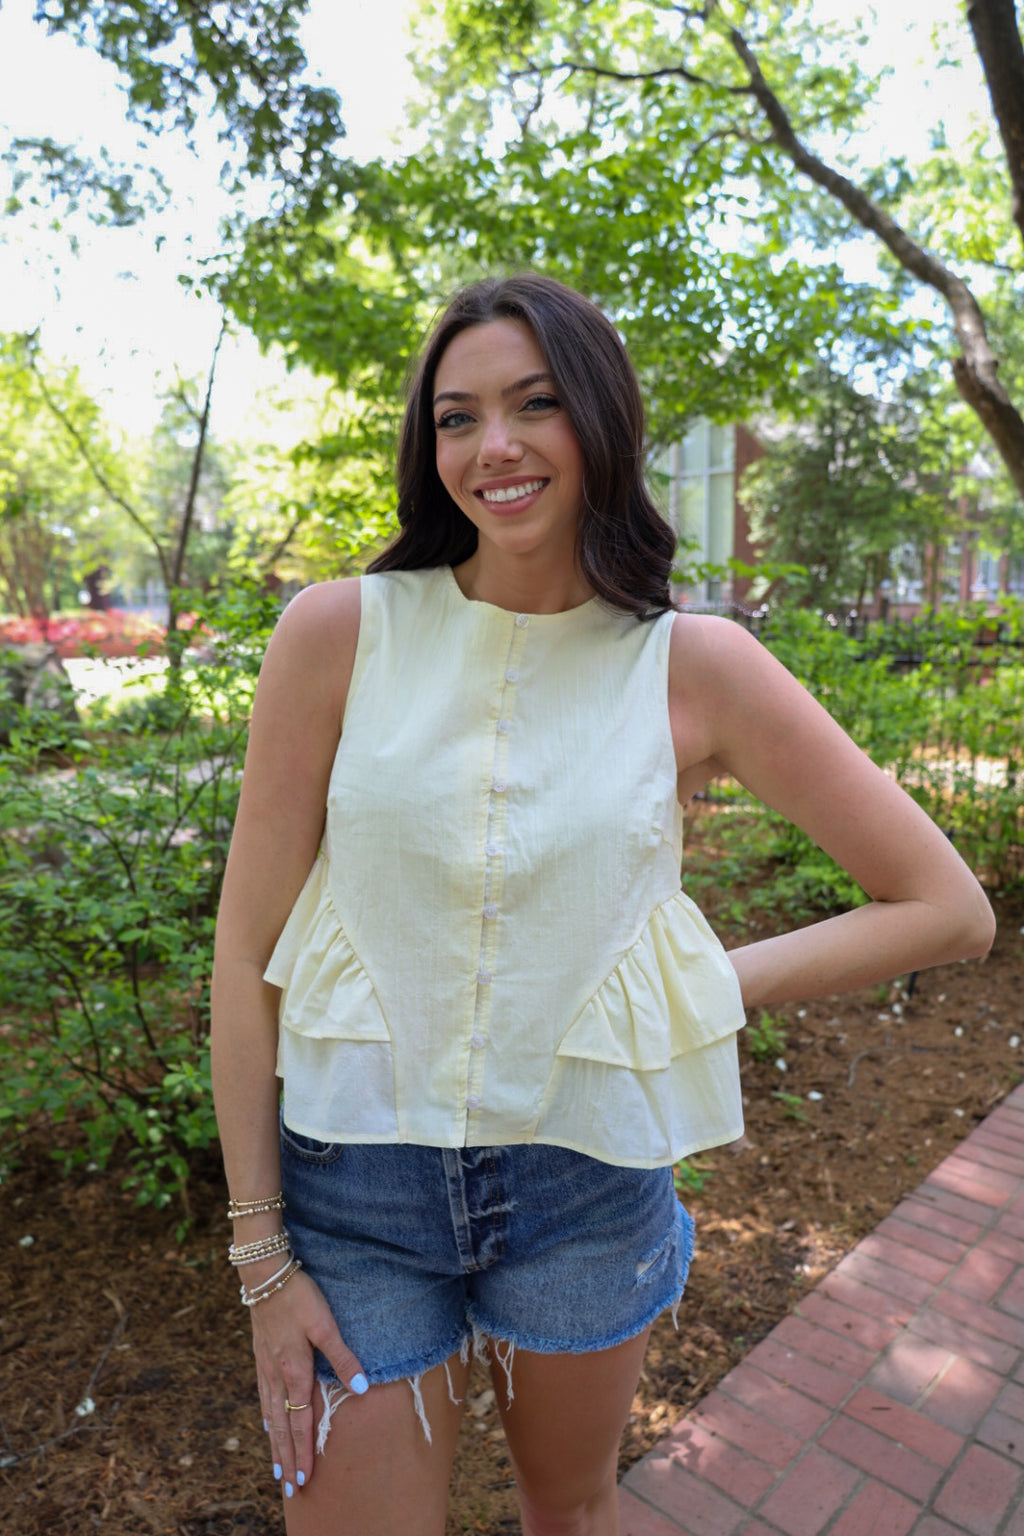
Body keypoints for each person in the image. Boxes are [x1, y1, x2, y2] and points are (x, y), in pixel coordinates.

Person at [210, 272, 995, 1536]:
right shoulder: (336, 635)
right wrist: (261, 1259)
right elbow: (245, 952)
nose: (495, 445)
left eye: (534, 403)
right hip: (353, 1195)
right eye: (456, 417)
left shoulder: (693, 664)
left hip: (585, 1185)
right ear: (429, 447)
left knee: (568, 1516)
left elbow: (945, 906)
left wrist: (695, 986)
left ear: (599, 421)